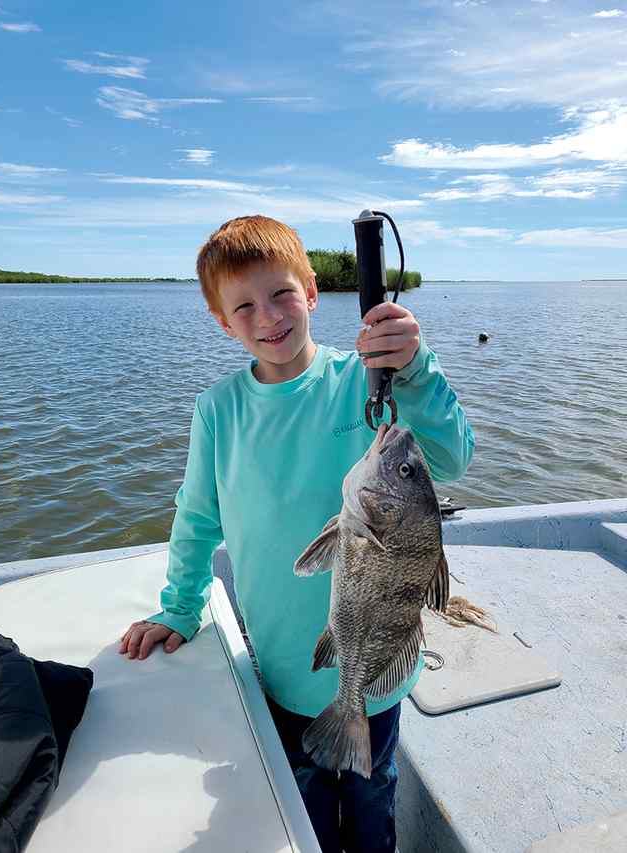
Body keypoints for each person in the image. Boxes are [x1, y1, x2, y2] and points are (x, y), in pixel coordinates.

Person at [119, 214, 475, 853]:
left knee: (373, 791)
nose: (268, 316)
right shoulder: (218, 410)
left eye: (282, 293)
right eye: (244, 306)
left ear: (311, 291)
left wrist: (417, 369)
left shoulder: (366, 380)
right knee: (303, 805)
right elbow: (196, 519)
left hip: (377, 669)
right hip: (283, 664)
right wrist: (180, 607)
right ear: (222, 321)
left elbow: (450, 459)